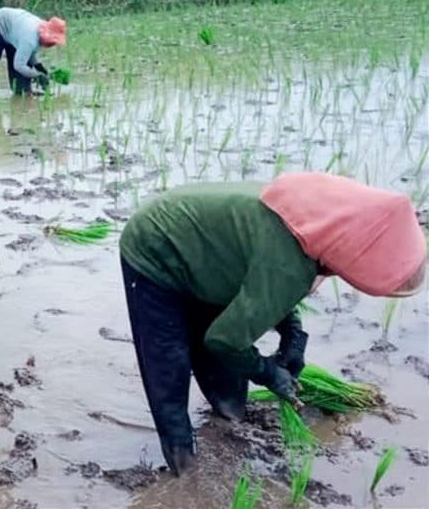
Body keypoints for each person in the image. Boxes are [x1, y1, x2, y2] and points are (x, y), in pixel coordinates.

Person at [118, 173, 426, 476]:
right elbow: (226, 339)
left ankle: (228, 416)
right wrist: (268, 373)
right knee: (170, 364)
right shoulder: (291, 257)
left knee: (224, 372)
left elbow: (267, 284)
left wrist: (293, 334)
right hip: (156, 247)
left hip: (209, 259)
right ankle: (184, 467)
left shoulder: (314, 233)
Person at [0, 7, 66, 98]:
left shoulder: (37, 35)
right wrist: (36, 76)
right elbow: (19, 65)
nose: (52, 44)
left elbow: (29, 53)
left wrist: (38, 67)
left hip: (15, 32)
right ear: (46, 34)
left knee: (22, 81)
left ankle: (22, 93)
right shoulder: (29, 38)